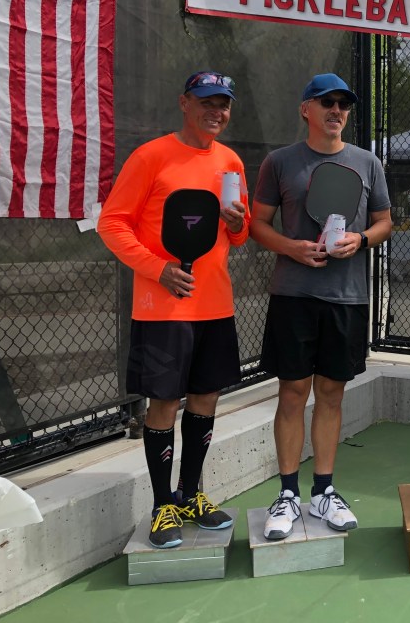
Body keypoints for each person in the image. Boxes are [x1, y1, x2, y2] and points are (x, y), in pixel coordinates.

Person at [98, 71, 250, 549]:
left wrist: (238, 224)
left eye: (223, 104)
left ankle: (190, 495)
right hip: (163, 309)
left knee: (206, 398)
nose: (216, 112)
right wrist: (157, 268)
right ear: (185, 103)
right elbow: (112, 223)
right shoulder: (151, 156)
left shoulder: (230, 161)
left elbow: (238, 236)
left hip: (215, 306)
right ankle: (163, 505)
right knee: (163, 403)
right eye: (207, 102)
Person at [250, 73, 392, 540]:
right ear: (305, 109)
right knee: (292, 394)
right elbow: (257, 224)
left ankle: (323, 491)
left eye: (343, 104)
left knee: (331, 395)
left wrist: (361, 239)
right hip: (293, 296)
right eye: (327, 102)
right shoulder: (279, 162)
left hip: (347, 299)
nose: (336, 111)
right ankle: (288, 494)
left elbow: (385, 221)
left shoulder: (368, 162)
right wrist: (291, 248)